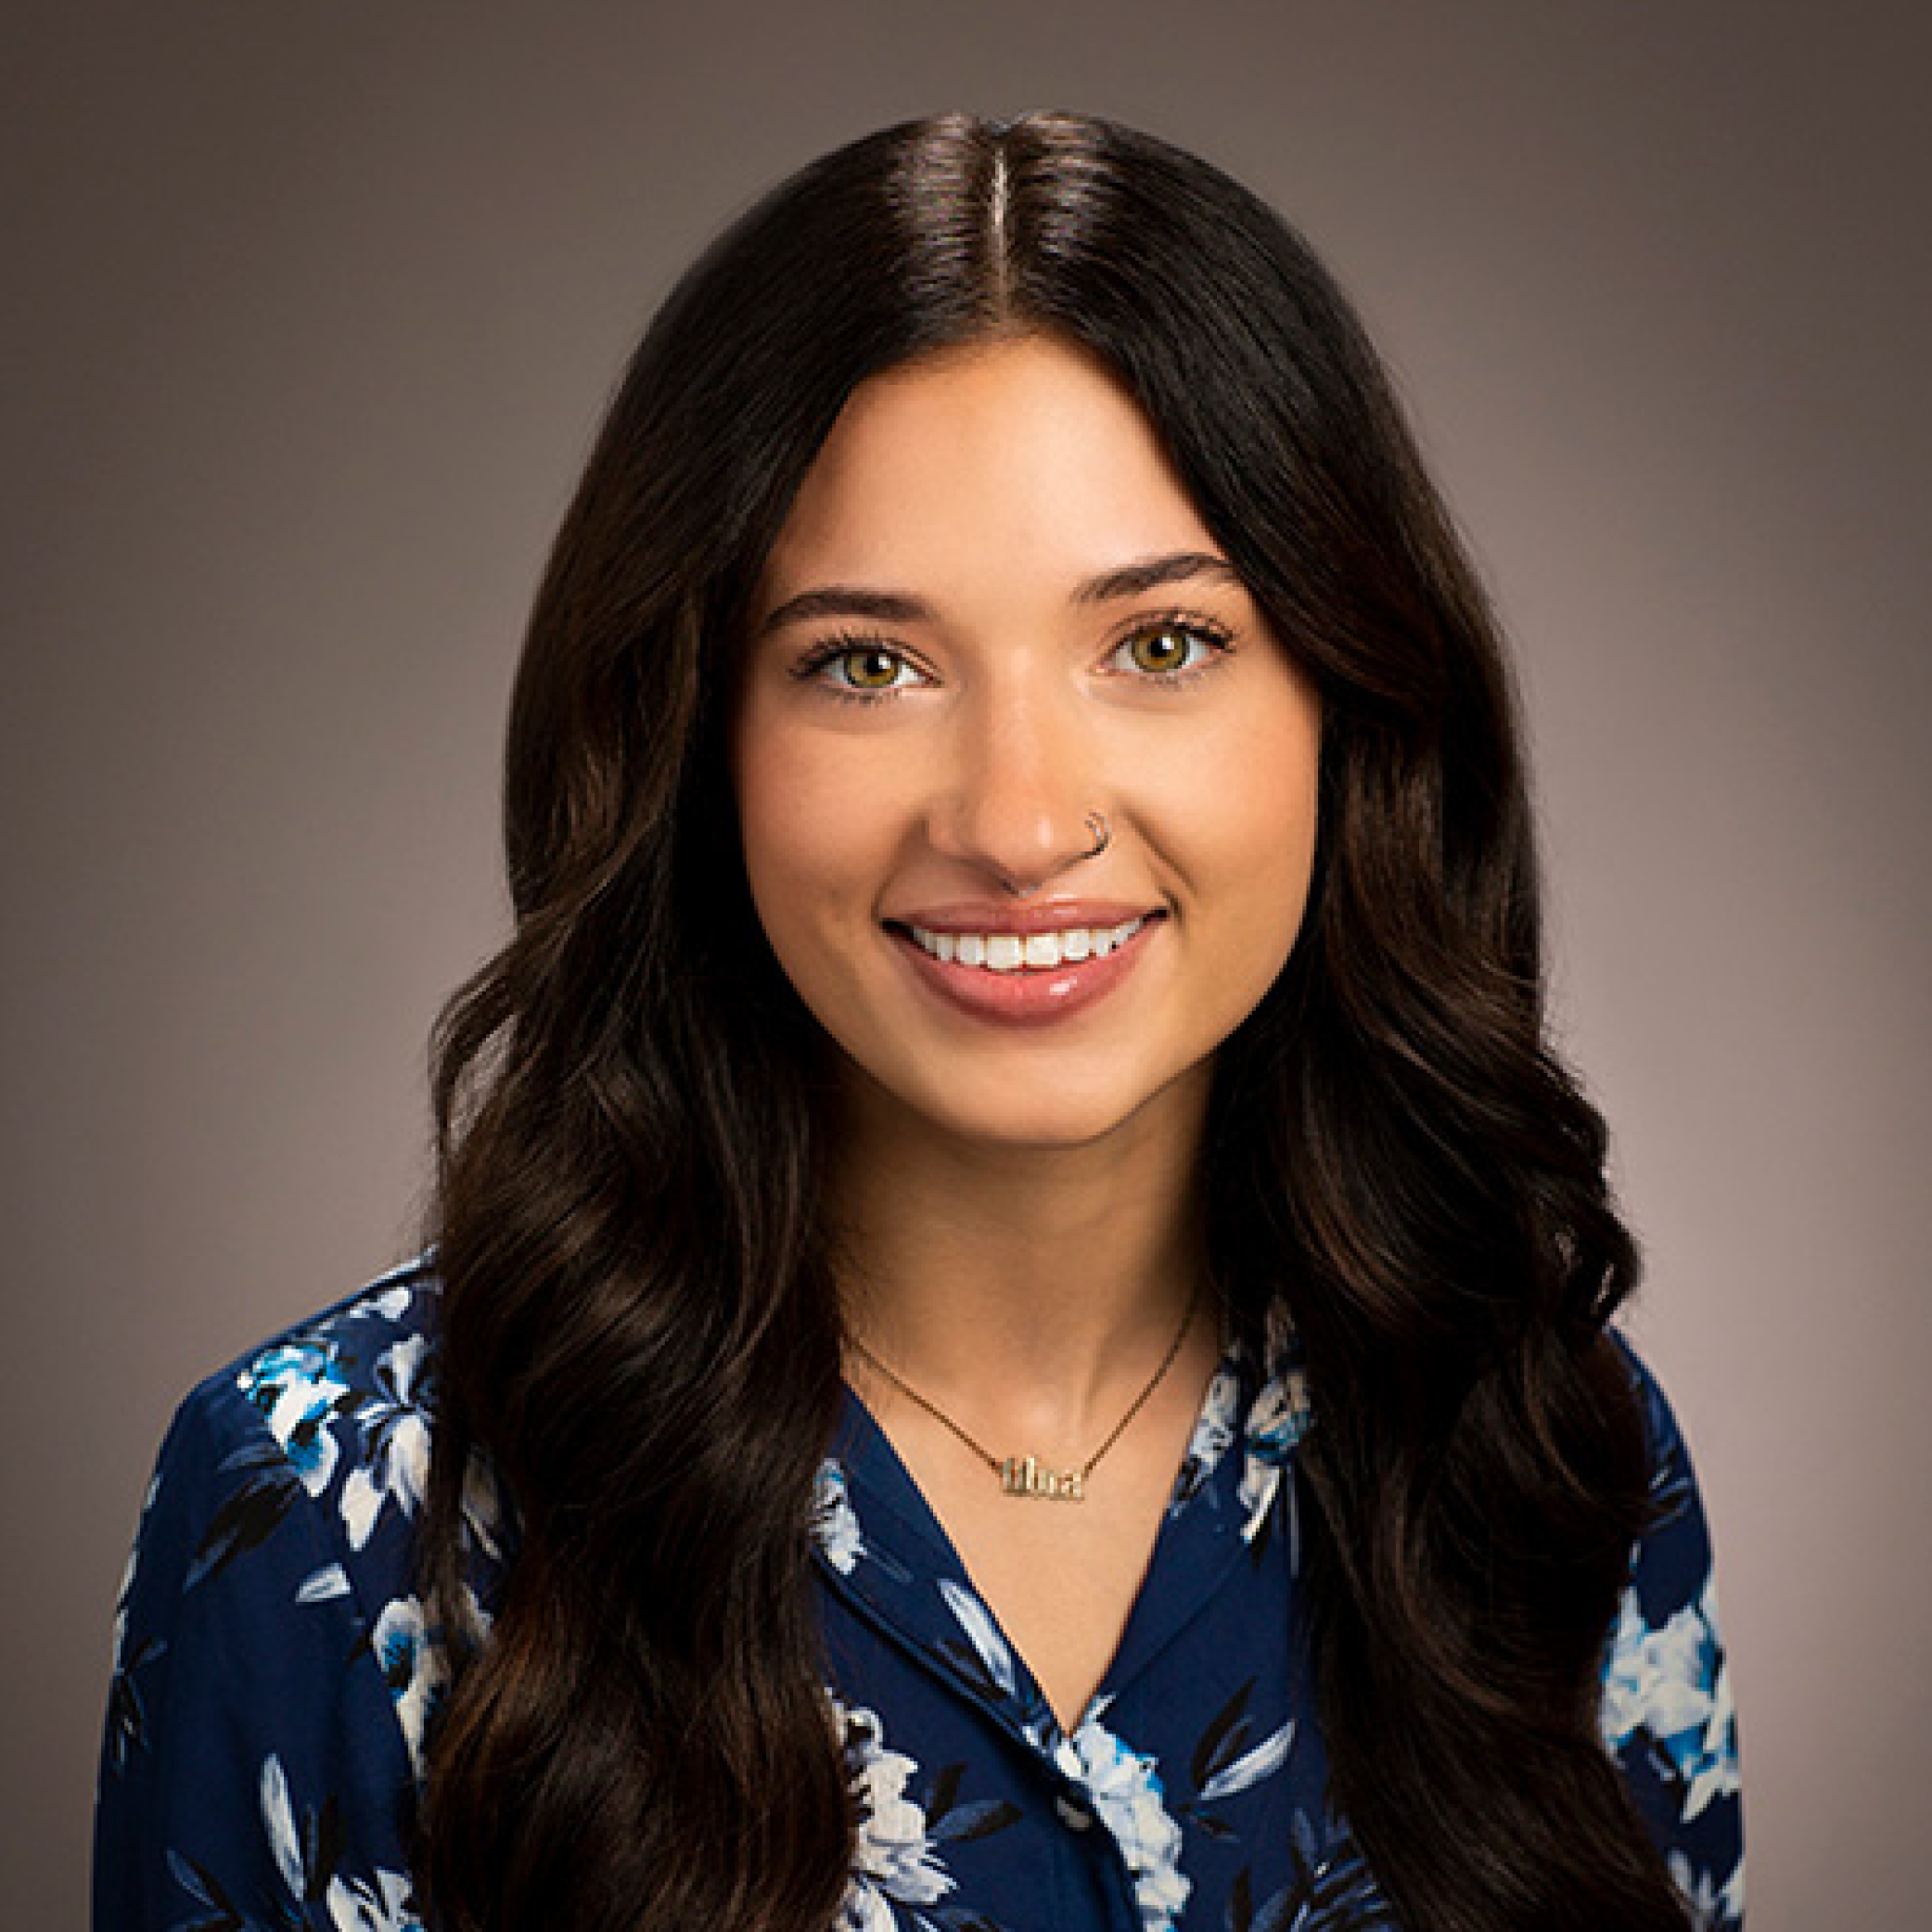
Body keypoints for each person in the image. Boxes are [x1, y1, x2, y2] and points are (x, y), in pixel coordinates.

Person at [93, 109, 1744, 1932]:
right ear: (697, 734)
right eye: (868, 663)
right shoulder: (323, 1523)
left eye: (1162, 644)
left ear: (1353, 705)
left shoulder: (1544, 1461)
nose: (1020, 823)